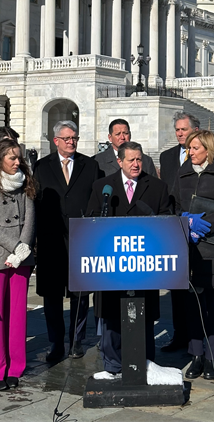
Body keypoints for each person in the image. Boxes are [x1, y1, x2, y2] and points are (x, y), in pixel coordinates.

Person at [86, 141, 170, 375]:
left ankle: (144, 363)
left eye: (139, 159)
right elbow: (92, 220)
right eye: (131, 160)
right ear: (120, 161)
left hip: (143, 264)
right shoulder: (103, 187)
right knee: (112, 315)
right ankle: (112, 366)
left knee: (142, 314)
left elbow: (165, 219)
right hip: (111, 265)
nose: (136, 164)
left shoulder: (156, 187)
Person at [172, 130, 214, 380]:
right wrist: (185, 220)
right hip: (190, 249)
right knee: (193, 305)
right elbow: (175, 204)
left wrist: (205, 224)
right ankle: (196, 355)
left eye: (196, 148)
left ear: (209, 150)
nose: (191, 152)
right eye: (190, 148)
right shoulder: (183, 172)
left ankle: (213, 356)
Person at [34, 120, 101, 362]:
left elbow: (95, 200)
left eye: (74, 138)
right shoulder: (42, 166)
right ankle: (55, 342)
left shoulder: (90, 165)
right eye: (67, 138)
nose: (71, 142)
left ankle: (76, 340)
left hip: (81, 238)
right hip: (51, 240)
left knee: (80, 294)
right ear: (56, 141)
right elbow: (36, 202)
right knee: (52, 295)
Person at [0, 139, 36, 391]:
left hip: (21, 259)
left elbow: (31, 219)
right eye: (11, 157)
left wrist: (22, 250)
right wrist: (15, 247)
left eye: (18, 157)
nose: (17, 162)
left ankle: (14, 367)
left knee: (17, 316)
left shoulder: (26, 186)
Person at [159, 111, 200, 352]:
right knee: (176, 285)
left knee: (198, 286)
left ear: (195, 130)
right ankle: (179, 334)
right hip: (174, 226)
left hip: (198, 225)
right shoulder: (166, 157)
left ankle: (199, 335)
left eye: (184, 129)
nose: (180, 133)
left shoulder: (207, 155)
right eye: (177, 130)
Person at [93, 119, 157, 178]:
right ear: (110, 137)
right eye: (118, 134)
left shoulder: (146, 161)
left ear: (130, 135)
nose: (122, 137)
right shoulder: (98, 161)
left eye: (125, 133)